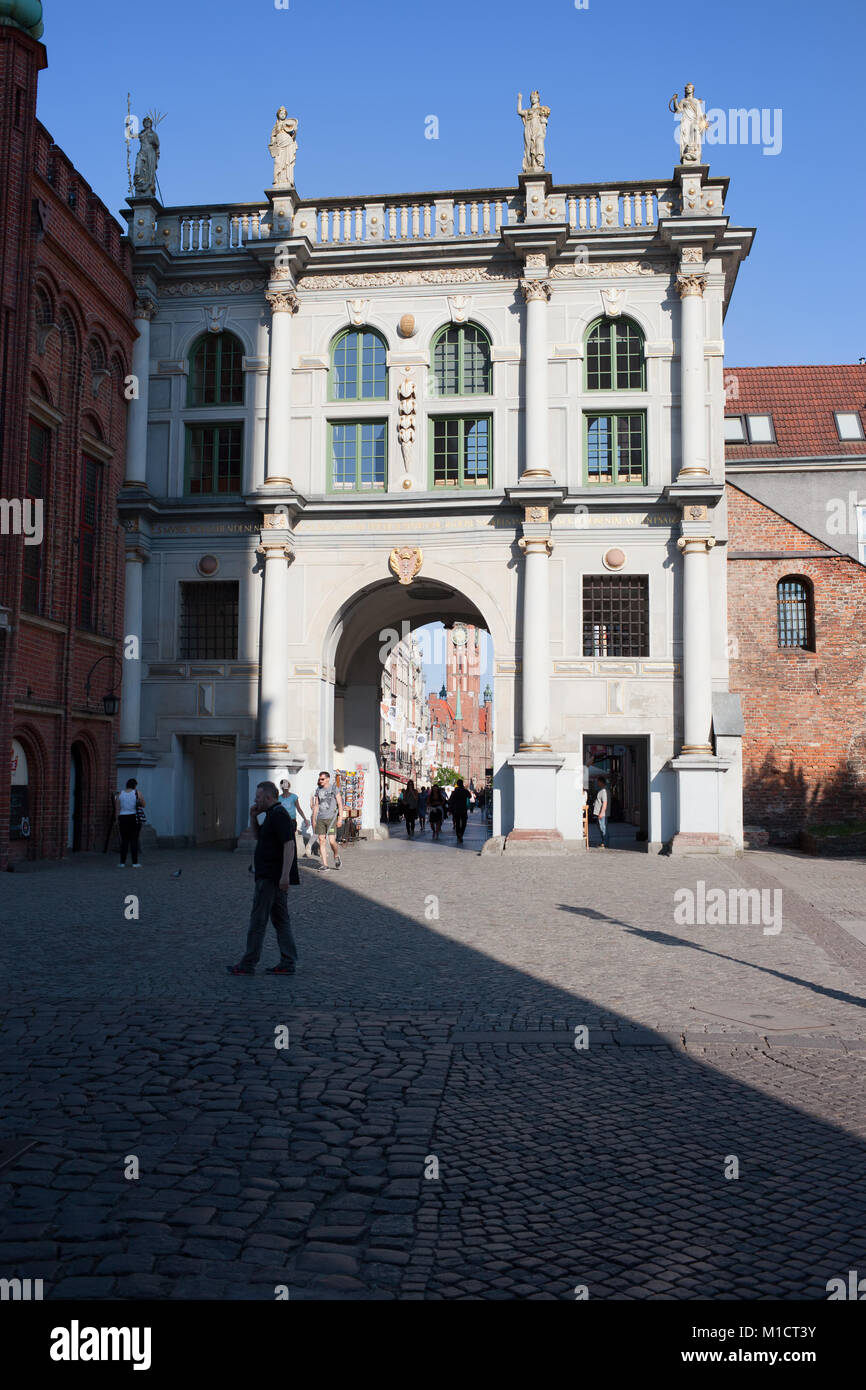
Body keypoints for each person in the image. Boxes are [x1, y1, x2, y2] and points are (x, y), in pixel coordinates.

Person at [228, 781, 299, 976]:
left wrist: (285, 876)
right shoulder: (271, 815)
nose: (254, 800)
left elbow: (289, 845)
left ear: (268, 797)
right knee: (281, 920)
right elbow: (260, 837)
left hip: (271, 877)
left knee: (258, 921)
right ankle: (288, 961)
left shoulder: (279, 815)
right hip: (271, 876)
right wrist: (253, 818)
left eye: (258, 797)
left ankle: (248, 963)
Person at [310, 770, 344, 871]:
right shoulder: (318, 790)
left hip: (331, 818)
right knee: (321, 840)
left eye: (322, 779)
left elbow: (340, 804)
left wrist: (340, 818)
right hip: (320, 818)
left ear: (328, 779)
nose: (320, 781)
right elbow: (316, 805)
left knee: (332, 841)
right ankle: (325, 865)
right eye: (320, 779)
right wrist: (313, 818)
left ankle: (336, 855)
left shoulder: (334, 788)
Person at [115, 778, 144, 868]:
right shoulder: (137, 793)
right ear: (135, 785)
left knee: (124, 840)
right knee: (134, 840)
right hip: (134, 817)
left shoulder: (120, 794)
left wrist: (116, 819)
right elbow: (143, 804)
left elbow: (117, 808)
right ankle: (135, 863)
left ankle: (122, 862)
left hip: (123, 817)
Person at [278, 778, 310, 854]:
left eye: (286, 785)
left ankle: (292, 853)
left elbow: (298, 808)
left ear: (289, 786)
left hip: (291, 820)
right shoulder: (279, 798)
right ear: (281, 787)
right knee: (282, 838)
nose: (285, 788)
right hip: (281, 821)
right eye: (283, 785)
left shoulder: (294, 797)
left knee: (291, 839)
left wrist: (305, 819)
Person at [449, 779, 471, 844]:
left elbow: (451, 801)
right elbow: (469, 796)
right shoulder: (465, 791)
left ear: (457, 784)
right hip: (463, 809)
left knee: (457, 823)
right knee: (464, 823)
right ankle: (461, 834)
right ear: (462, 784)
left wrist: (450, 809)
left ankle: (458, 835)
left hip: (456, 809)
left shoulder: (454, 792)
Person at [594, 776, 610, 850]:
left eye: (598, 781)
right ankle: (604, 842)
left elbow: (605, 803)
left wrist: (601, 813)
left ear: (601, 782)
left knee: (603, 828)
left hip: (602, 814)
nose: (597, 783)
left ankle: (605, 843)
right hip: (600, 813)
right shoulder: (602, 790)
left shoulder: (604, 791)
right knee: (602, 828)